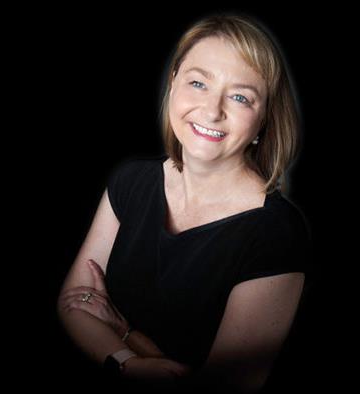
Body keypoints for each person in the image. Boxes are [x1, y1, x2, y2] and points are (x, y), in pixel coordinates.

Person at [58, 14, 310, 393]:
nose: (212, 111)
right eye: (198, 83)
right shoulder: (131, 181)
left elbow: (221, 389)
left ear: (264, 119)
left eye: (240, 96)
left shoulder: (276, 233)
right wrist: (128, 363)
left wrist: (125, 332)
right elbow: (72, 302)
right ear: (173, 81)